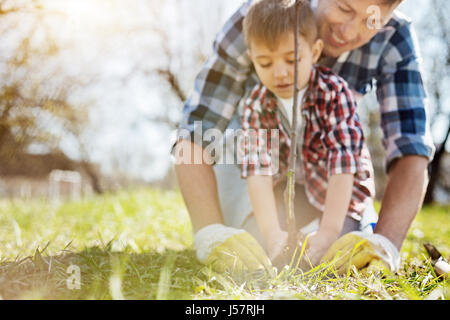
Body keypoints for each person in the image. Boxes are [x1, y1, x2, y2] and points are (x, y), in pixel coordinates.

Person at [173, 0, 435, 273]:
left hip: (333, 174)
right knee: (254, 242)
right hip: (258, 161)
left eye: (370, 21)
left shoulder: (393, 39)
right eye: (344, 8)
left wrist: (385, 244)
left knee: (349, 242)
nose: (347, 31)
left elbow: (410, 148)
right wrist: (209, 232)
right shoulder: (259, 17)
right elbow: (196, 132)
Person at [239, 0, 375, 266]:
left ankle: (365, 225)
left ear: (314, 53)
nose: (280, 72)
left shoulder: (334, 93)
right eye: (265, 63)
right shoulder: (255, 104)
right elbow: (258, 172)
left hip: (340, 193)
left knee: (337, 253)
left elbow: (342, 166)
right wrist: (271, 234)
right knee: (254, 244)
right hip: (293, 192)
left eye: (292, 59)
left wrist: (328, 232)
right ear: (252, 58)